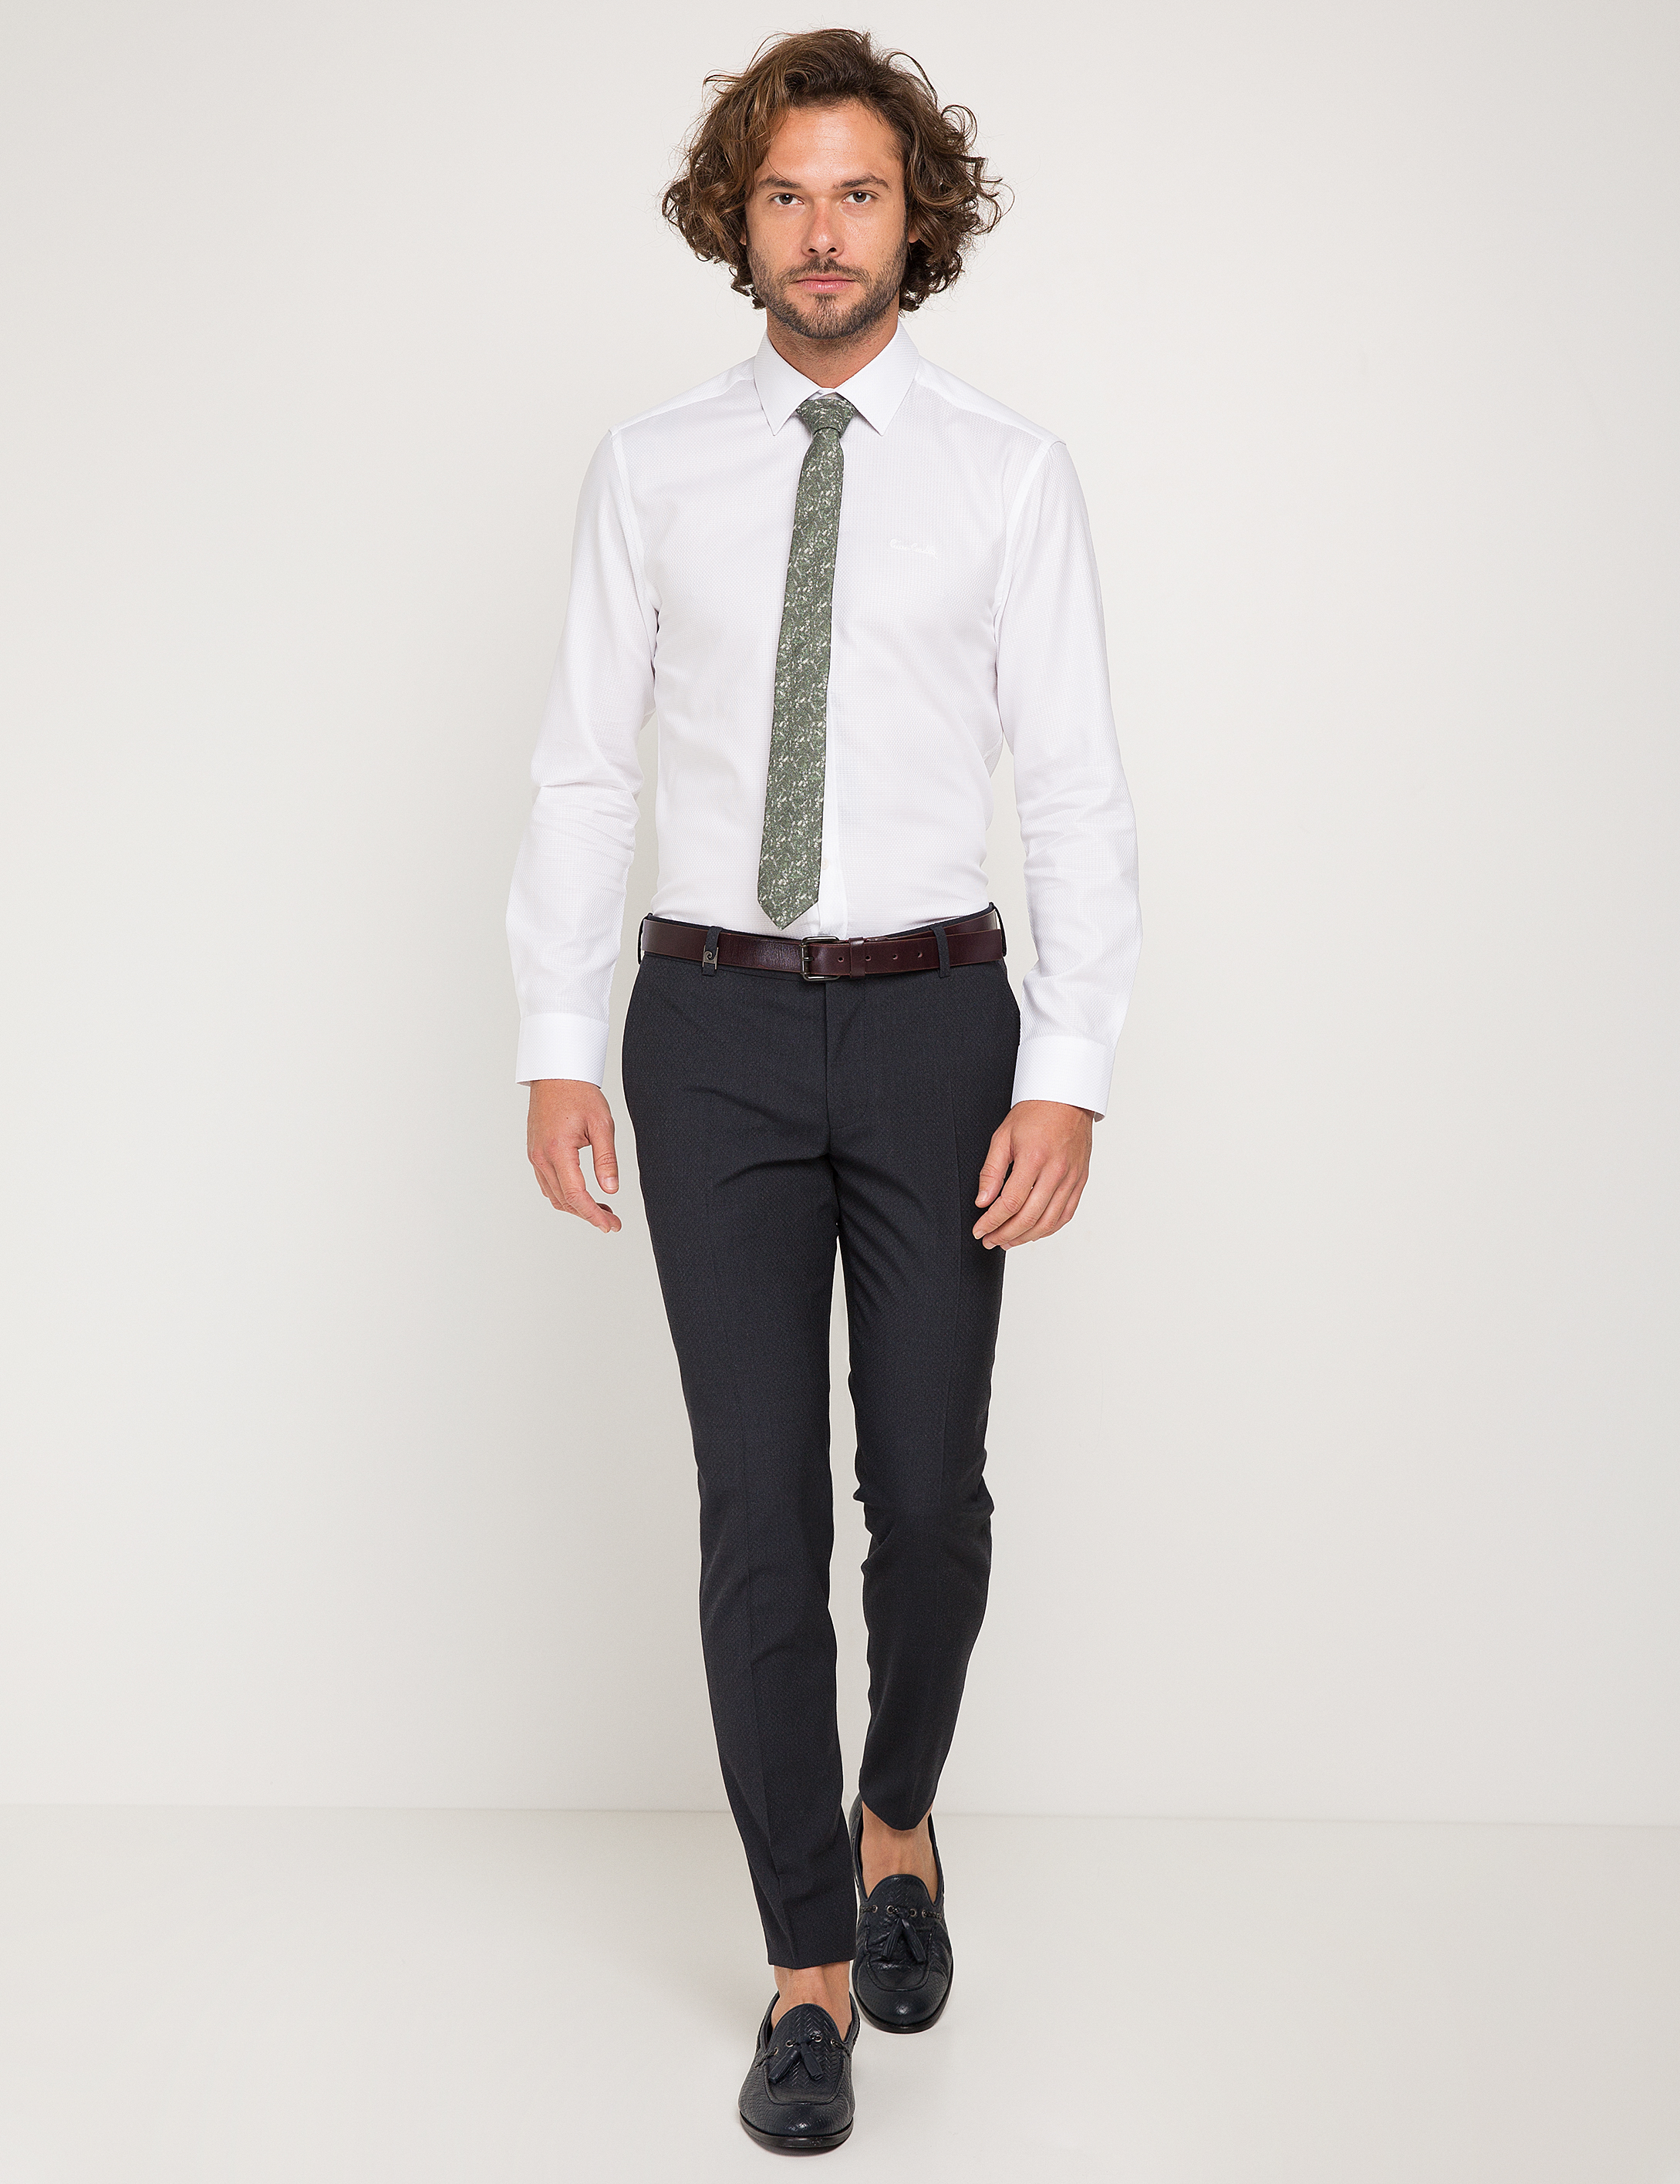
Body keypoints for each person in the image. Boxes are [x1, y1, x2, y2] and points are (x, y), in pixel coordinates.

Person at [506, 26, 1140, 2155]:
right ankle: (806, 1967)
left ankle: (898, 1822)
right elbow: (585, 774)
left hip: (941, 1019)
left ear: (913, 215)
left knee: (928, 1496)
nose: (821, 230)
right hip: (709, 1030)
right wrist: (557, 1043)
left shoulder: (1008, 473)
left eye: (857, 191)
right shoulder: (651, 470)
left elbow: (1074, 789)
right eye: (785, 193)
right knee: (757, 1505)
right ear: (739, 216)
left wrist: (1067, 1068)